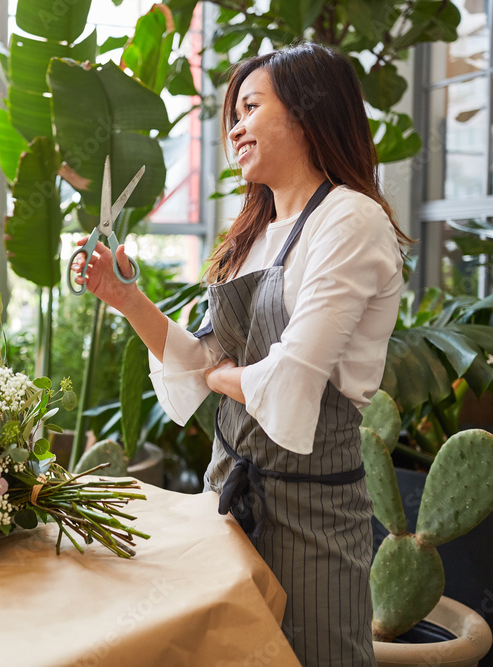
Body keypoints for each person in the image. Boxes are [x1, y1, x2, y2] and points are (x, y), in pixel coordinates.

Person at [73, 42, 410, 665]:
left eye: (250, 107)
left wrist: (223, 374)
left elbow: (290, 376)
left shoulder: (351, 220)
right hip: (227, 494)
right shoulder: (254, 232)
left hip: (309, 514)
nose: (234, 126)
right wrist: (126, 298)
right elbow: (201, 363)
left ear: (308, 114)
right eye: (234, 110)